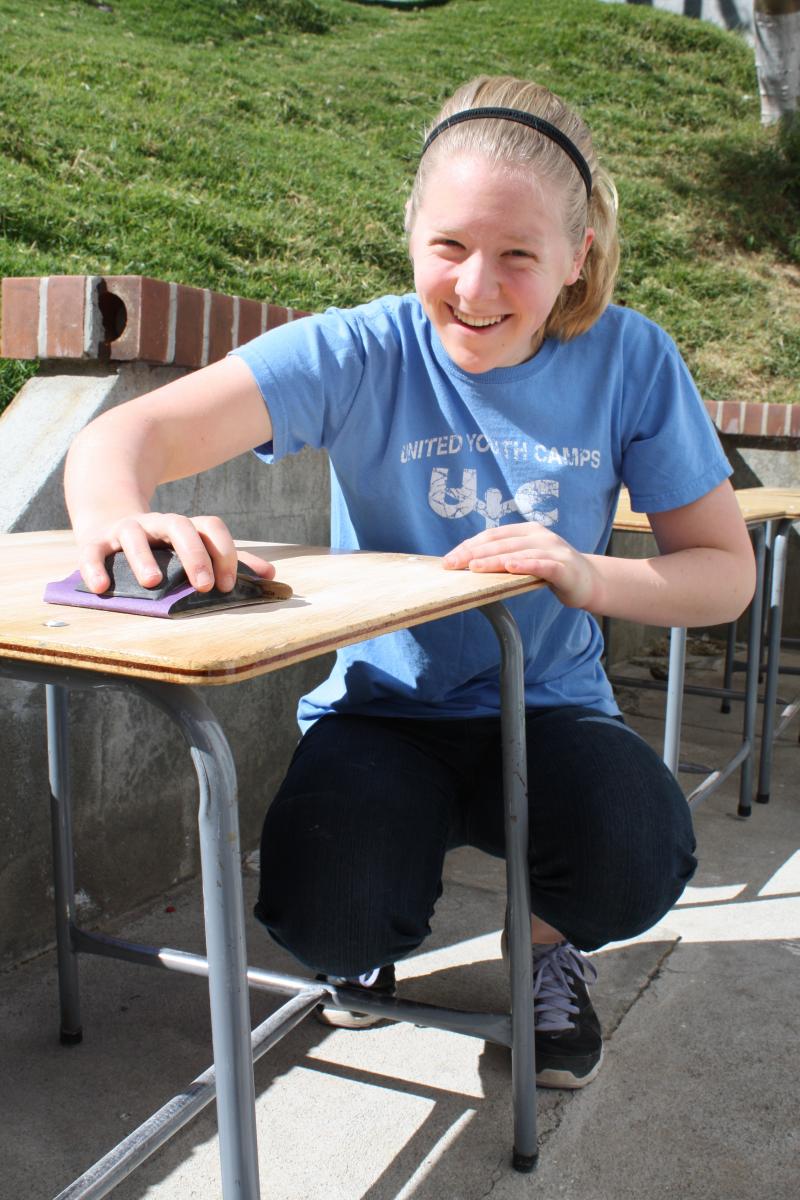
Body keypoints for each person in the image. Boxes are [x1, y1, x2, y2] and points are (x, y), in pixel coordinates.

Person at [65, 75, 756, 1090]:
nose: (475, 289)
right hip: (382, 711)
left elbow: (721, 576)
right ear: (411, 235)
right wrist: (125, 516)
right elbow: (130, 432)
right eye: (448, 248)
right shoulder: (361, 347)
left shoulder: (630, 360)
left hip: (550, 707)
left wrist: (585, 572)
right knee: (325, 919)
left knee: (634, 854)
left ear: (576, 258)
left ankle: (543, 949)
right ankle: (373, 915)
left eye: (518, 255)